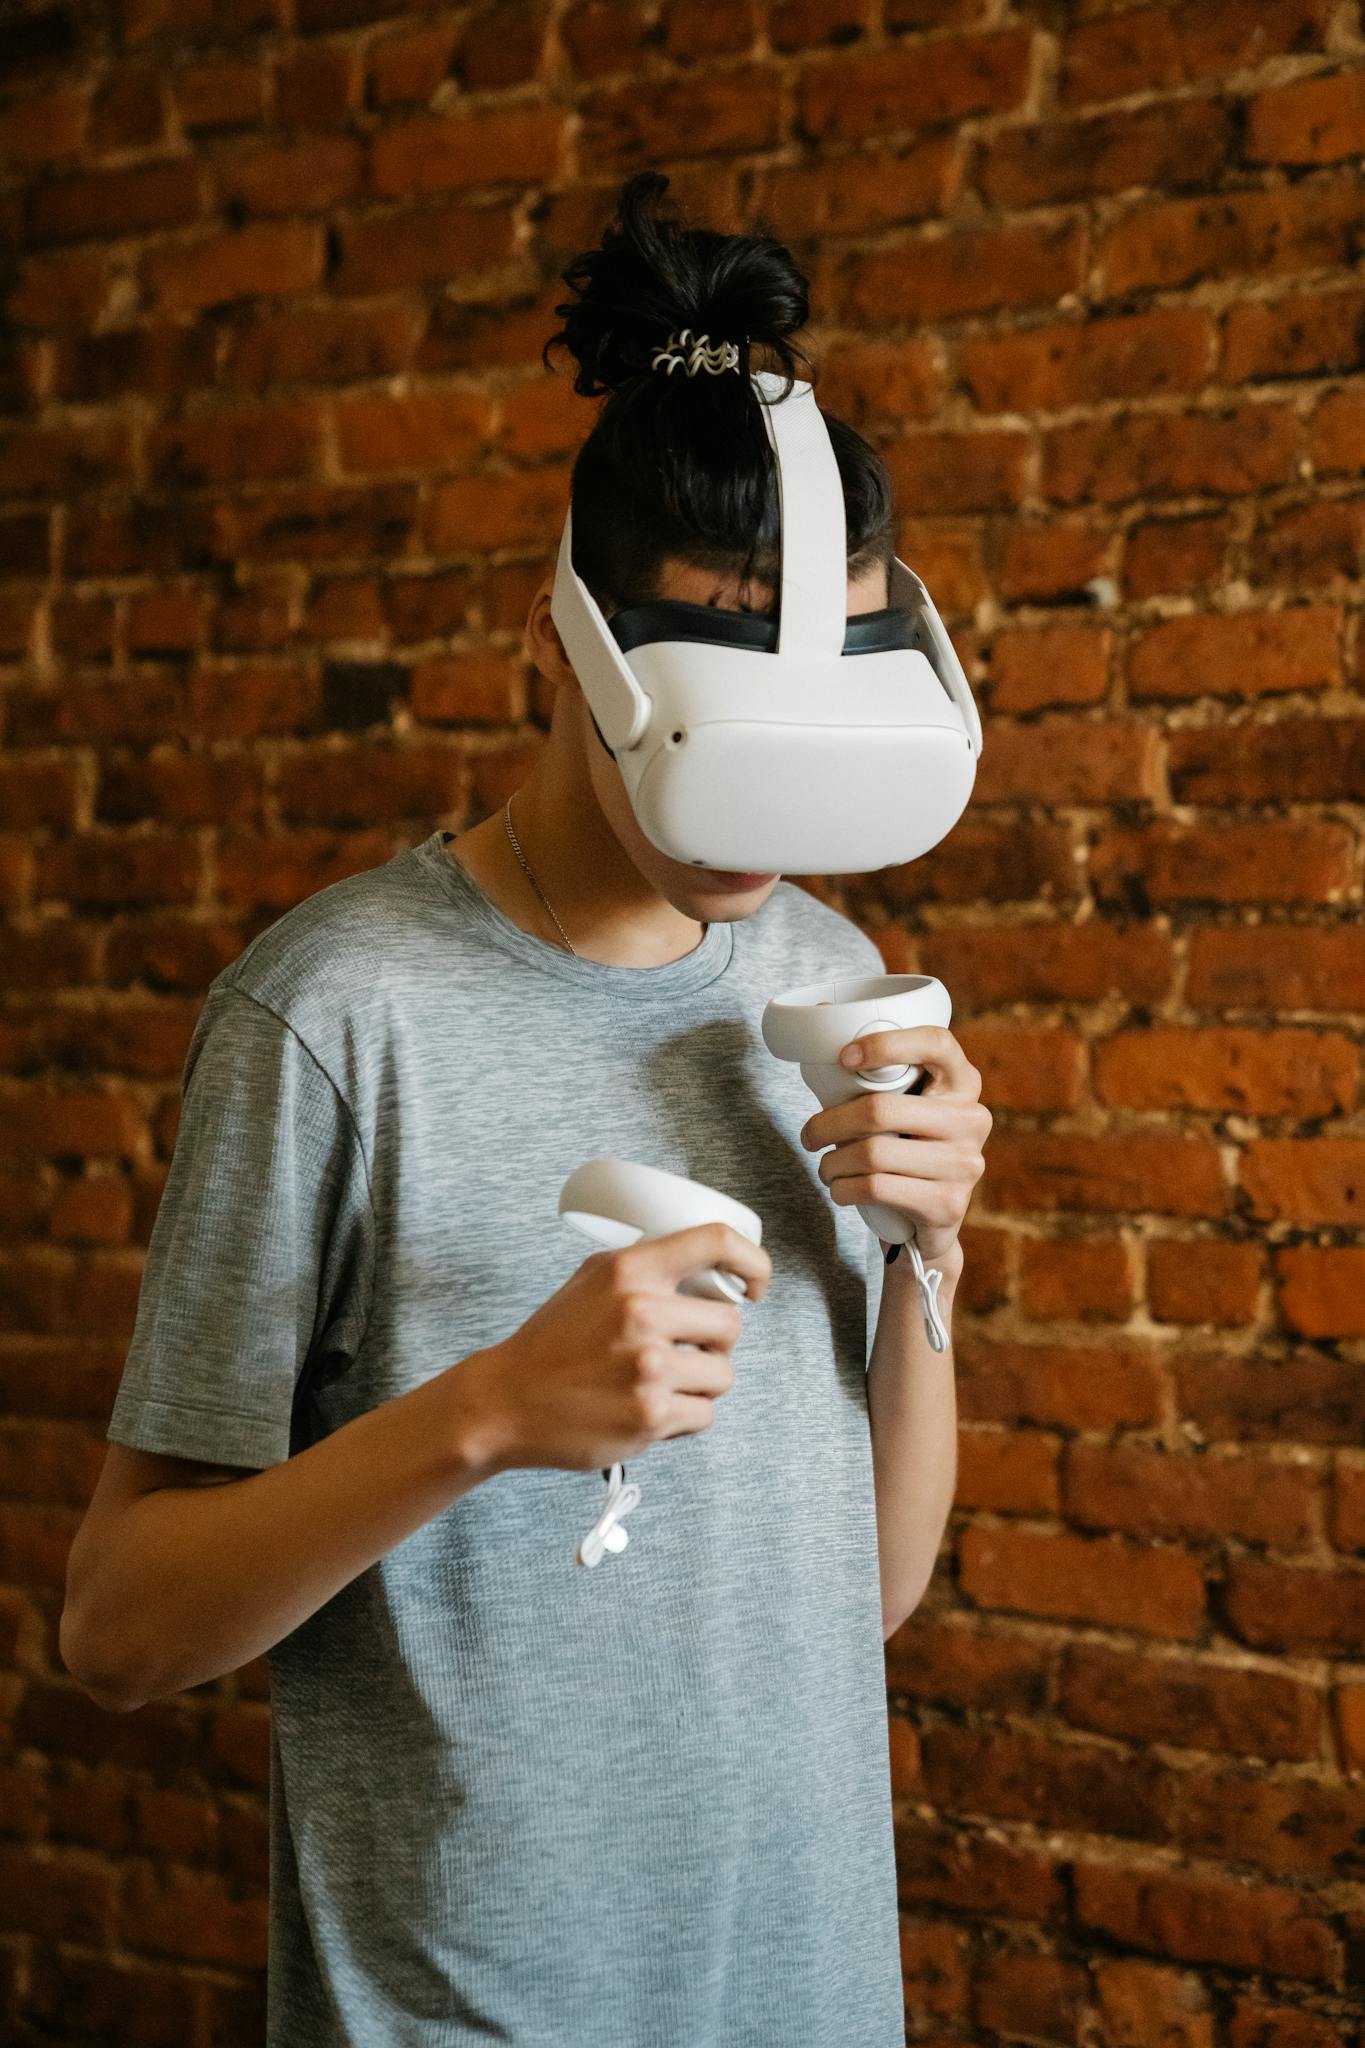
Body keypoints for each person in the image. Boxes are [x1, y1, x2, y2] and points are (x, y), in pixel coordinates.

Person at [60, 170, 959, 2046]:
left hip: (802, 1989)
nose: (759, 829)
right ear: (556, 652)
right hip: (475, 2002)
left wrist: (930, 1257)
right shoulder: (333, 1012)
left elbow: (859, 1597)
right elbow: (122, 1631)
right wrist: (480, 1413)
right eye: (720, 742)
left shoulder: (824, 973)